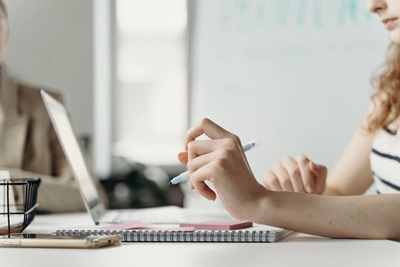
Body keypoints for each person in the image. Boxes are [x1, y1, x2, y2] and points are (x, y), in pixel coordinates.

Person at [177, 0, 400, 240]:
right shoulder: (392, 92)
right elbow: (339, 191)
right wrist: (305, 192)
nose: (373, 5)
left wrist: (261, 201)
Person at [0, 1, 105, 213]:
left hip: (27, 243)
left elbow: (90, 195)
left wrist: (11, 184)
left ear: (6, 36)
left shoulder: (44, 106)